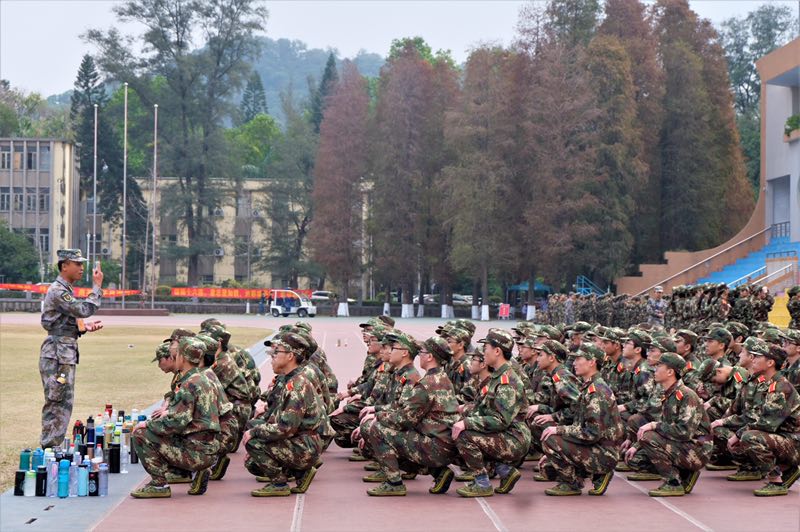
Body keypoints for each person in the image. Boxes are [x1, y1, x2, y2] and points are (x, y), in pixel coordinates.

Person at [360, 336, 460, 496]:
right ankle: (438, 472)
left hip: (436, 447)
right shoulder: (443, 378)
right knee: (398, 434)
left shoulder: (426, 384)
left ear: (430, 357)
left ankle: (394, 483)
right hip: (445, 444)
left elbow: (404, 419)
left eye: (422, 352)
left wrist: (378, 417)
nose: (419, 355)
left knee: (378, 430)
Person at [130, 337, 223, 498]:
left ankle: (159, 485)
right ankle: (196, 470)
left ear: (183, 358)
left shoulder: (189, 384)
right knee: (159, 431)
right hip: (209, 448)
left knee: (140, 434)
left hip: (196, 452)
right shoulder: (205, 378)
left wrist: (147, 425)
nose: (174, 357)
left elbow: (175, 422)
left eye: (177, 354)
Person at [244, 333, 330, 497]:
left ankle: (279, 483)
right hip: (304, 441)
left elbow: (286, 428)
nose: (272, 356)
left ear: (290, 356)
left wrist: (254, 433)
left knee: (254, 441)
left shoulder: (296, 385)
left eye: (277, 352)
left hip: (305, 446)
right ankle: (300, 473)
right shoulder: (292, 379)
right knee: (255, 444)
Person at [452, 328, 531, 497]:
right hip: (506, 433)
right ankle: (505, 471)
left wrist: (466, 423)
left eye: (486, 348)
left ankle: (482, 483)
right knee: (458, 429)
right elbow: (482, 409)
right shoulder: (497, 376)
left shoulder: (506, 381)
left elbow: (500, 420)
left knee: (464, 435)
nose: (483, 352)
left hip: (514, 437)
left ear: (497, 351)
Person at [539, 343, 624, 496]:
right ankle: (592, 475)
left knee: (550, 439)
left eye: (579, 359)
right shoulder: (589, 386)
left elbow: (592, 433)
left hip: (604, 453)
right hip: (595, 447)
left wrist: (559, 431)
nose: (574, 363)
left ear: (592, 362)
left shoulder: (596, 391)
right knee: (547, 467)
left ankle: (574, 483)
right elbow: (579, 424)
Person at [39, 249, 104, 449]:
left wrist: (81, 328)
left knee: (62, 402)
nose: (81, 268)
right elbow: (83, 309)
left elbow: (63, 321)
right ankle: (50, 448)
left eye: (82, 264)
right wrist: (97, 287)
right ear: (64, 265)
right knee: (57, 401)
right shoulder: (59, 291)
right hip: (58, 354)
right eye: (77, 264)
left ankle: (53, 447)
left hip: (63, 351)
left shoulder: (65, 290)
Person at [624, 352, 712, 497]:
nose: (655, 369)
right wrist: (636, 446)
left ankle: (673, 483)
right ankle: (685, 473)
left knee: (648, 436)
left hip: (698, 449)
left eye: (659, 366)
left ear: (670, 372)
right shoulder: (668, 394)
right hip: (683, 445)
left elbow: (684, 432)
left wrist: (654, 425)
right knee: (634, 459)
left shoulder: (686, 395)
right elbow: (667, 426)